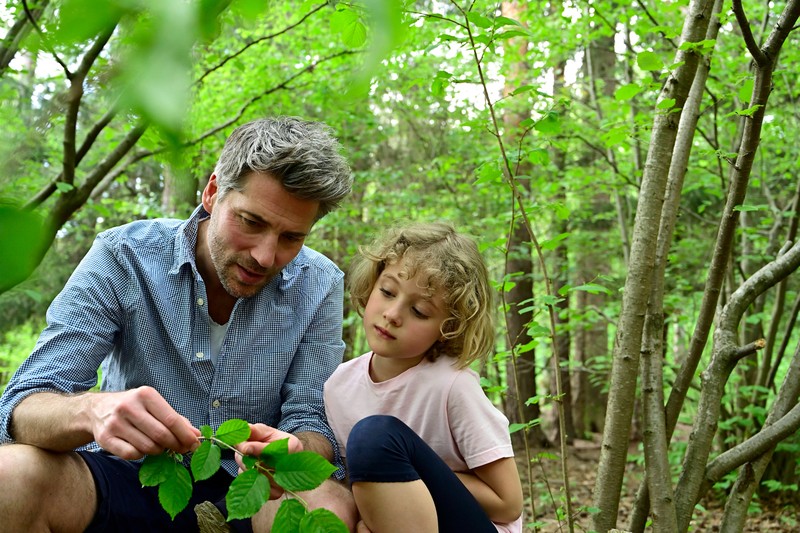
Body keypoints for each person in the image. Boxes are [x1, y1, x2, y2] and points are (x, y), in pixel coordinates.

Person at [0, 116, 358, 533]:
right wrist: (90, 409)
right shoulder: (124, 256)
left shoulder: (320, 284)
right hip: (127, 474)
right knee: (10, 478)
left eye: (291, 238)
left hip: (257, 488)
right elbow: (20, 406)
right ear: (212, 193)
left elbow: (313, 419)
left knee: (328, 504)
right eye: (251, 222)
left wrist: (297, 446)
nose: (265, 256)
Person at [323, 222, 524, 533]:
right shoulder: (339, 385)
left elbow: (508, 503)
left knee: (375, 438)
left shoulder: (453, 385)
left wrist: (411, 474)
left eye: (419, 311)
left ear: (449, 327)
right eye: (387, 291)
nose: (392, 314)